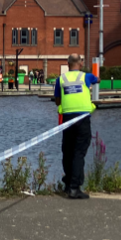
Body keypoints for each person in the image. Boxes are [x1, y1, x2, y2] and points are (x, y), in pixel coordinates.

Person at [53, 54, 98, 199]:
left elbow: (57, 101)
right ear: (80, 63)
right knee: (79, 153)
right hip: (82, 119)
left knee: (68, 151)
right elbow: (98, 79)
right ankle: (74, 188)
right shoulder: (86, 77)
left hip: (67, 119)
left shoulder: (61, 79)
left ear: (67, 64)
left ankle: (67, 185)